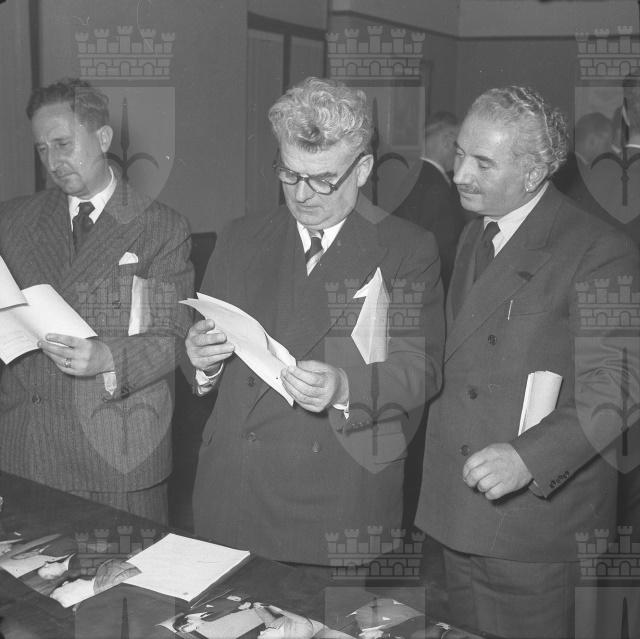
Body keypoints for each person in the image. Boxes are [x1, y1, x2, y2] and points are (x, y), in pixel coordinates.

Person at [186, 77, 444, 565]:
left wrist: (345, 386)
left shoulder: (406, 249)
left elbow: (420, 369)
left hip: (335, 498)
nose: (302, 194)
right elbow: (206, 348)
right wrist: (203, 361)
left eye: (323, 179)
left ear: (362, 169)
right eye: (289, 174)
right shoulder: (240, 237)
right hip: (233, 491)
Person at [415, 86, 640, 638]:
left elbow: (619, 385)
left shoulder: (599, 249)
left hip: (534, 526)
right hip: (459, 514)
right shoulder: (474, 233)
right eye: (459, 154)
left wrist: (529, 457)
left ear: (535, 171)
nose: (460, 174)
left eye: (482, 162)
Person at [0, 78, 194, 523]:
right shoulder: (12, 221)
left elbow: (173, 337)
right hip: (26, 452)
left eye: (63, 144)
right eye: (42, 149)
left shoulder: (160, 227)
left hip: (117, 457)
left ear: (103, 138)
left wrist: (107, 356)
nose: (53, 162)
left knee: (129, 568)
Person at [391, 111, 466, 290]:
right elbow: (444, 257)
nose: (462, 156)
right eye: (460, 148)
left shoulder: (410, 176)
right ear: (447, 141)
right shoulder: (437, 188)